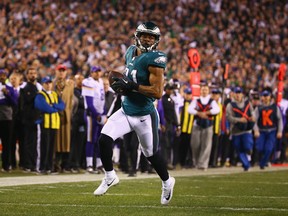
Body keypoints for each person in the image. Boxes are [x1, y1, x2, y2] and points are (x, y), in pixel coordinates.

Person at [94, 22, 175, 205]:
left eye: (151, 36)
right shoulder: (130, 51)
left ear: (156, 40)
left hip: (145, 115)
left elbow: (157, 92)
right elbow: (128, 77)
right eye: (145, 35)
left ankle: (167, 181)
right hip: (126, 109)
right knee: (104, 139)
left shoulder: (157, 59)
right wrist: (122, 86)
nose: (148, 39)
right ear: (137, 36)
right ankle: (110, 176)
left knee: (150, 154)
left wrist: (133, 86)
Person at [34, 76, 65, 174]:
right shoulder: (40, 94)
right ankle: (41, 167)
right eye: (46, 83)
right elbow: (44, 107)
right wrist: (54, 108)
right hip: (44, 123)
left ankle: (49, 167)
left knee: (51, 148)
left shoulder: (55, 94)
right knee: (44, 147)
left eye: (50, 83)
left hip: (54, 124)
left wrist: (53, 106)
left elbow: (62, 106)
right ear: (43, 84)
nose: (48, 85)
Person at [188, 81, 220, 170]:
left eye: (206, 89)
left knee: (206, 145)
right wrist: (199, 113)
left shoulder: (212, 101)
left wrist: (207, 113)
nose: (204, 91)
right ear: (200, 91)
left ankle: (203, 164)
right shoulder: (196, 100)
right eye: (203, 89)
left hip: (208, 125)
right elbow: (189, 109)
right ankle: (196, 161)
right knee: (195, 144)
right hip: (197, 125)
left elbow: (217, 110)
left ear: (208, 91)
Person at [82, 65, 106, 173]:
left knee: (99, 141)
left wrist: (104, 113)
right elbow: (90, 102)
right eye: (95, 71)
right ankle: (89, 165)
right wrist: (96, 114)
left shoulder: (100, 81)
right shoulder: (88, 82)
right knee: (91, 139)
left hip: (100, 114)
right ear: (91, 72)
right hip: (91, 115)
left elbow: (102, 100)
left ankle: (99, 164)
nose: (97, 73)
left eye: (98, 71)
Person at [226, 86, 256, 171]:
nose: (238, 95)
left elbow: (253, 113)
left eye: (239, 93)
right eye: (236, 93)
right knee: (239, 149)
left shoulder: (248, 103)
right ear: (233, 94)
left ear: (242, 94)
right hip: (236, 131)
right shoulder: (230, 105)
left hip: (247, 130)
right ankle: (246, 165)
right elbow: (229, 118)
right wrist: (239, 120)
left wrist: (253, 118)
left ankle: (249, 155)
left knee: (247, 147)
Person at [19, 67, 42, 172]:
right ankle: (28, 164)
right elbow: (26, 102)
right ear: (27, 75)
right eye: (30, 73)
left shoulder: (37, 87)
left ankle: (32, 164)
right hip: (28, 119)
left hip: (36, 118)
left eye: (34, 73)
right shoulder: (25, 88)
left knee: (34, 142)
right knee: (29, 142)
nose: (33, 75)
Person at [253, 88, 283, 169]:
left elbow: (280, 119)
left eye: (267, 96)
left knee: (269, 148)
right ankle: (263, 161)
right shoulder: (258, 108)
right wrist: (256, 130)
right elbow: (254, 120)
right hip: (261, 131)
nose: (265, 98)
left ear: (270, 97)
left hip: (271, 131)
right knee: (259, 147)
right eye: (264, 96)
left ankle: (263, 163)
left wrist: (280, 131)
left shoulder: (275, 107)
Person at [53, 64, 74, 172]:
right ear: (56, 72)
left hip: (66, 116)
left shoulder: (70, 84)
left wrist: (70, 114)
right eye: (59, 70)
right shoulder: (52, 84)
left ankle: (65, 164)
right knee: (56, 141)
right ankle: (55, 164)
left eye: (63, 71)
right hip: (55, 115)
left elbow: (71, 101)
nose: (61, 72)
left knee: (65, 140)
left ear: (66, 72)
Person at [0, 69, 18, 172]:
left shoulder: (9, 88)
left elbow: (14, 102)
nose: (2, 77)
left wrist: (7, 94)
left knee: (7, 143)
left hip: (7, 118)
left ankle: (6, 165)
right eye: (1, 75)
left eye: (4, 75)